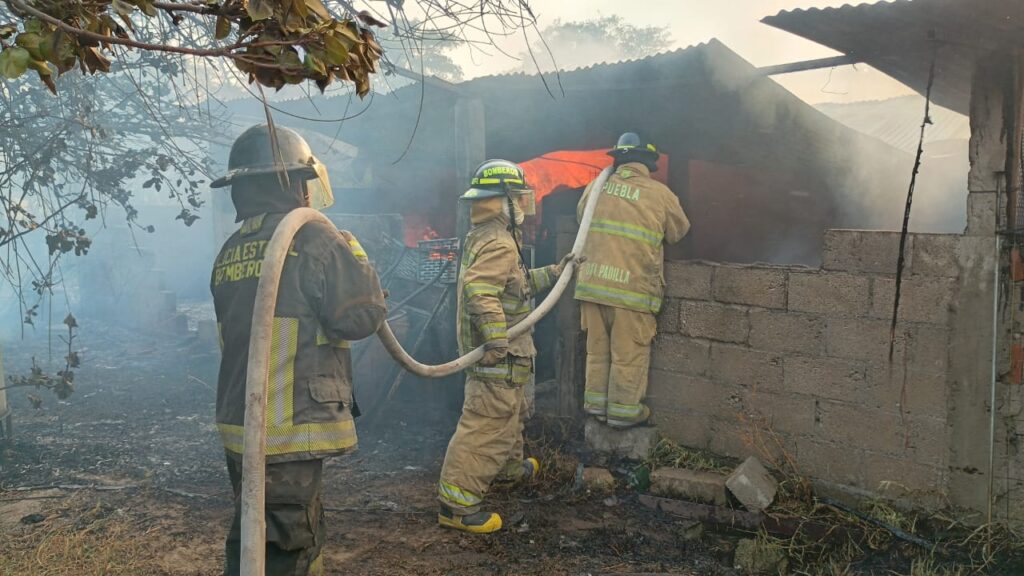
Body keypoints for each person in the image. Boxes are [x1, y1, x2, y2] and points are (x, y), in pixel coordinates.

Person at [210, 124, 386, 575]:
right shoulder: (312, 240)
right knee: (289, 542)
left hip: (243, 424)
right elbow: (361, 316)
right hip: (288, 427)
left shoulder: (231, 249)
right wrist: (357, 256)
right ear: (292, 183)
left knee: (254, 529)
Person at [437, 159, 575, 534]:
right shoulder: (498, 241)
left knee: (510, 414)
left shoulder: (489, 235)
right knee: (487, 425)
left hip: (511, 356)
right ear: (503, 202)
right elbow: (480, 290)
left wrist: (554, 272)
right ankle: (457, 505)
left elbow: (516, 284)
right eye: (517, 197)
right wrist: (496, 338)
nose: (524, 204)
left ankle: (508, 470)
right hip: (500, 355)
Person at [575, 133, 690, 428]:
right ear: (648, 163)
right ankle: (623, 417)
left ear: (618, 159)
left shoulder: (595, 188)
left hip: (592, 287)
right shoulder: (660, 194)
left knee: (597, 353)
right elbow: (679, 232)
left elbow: (581, 220)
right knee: (628, 357)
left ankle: (596, 409)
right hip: (632, 292)